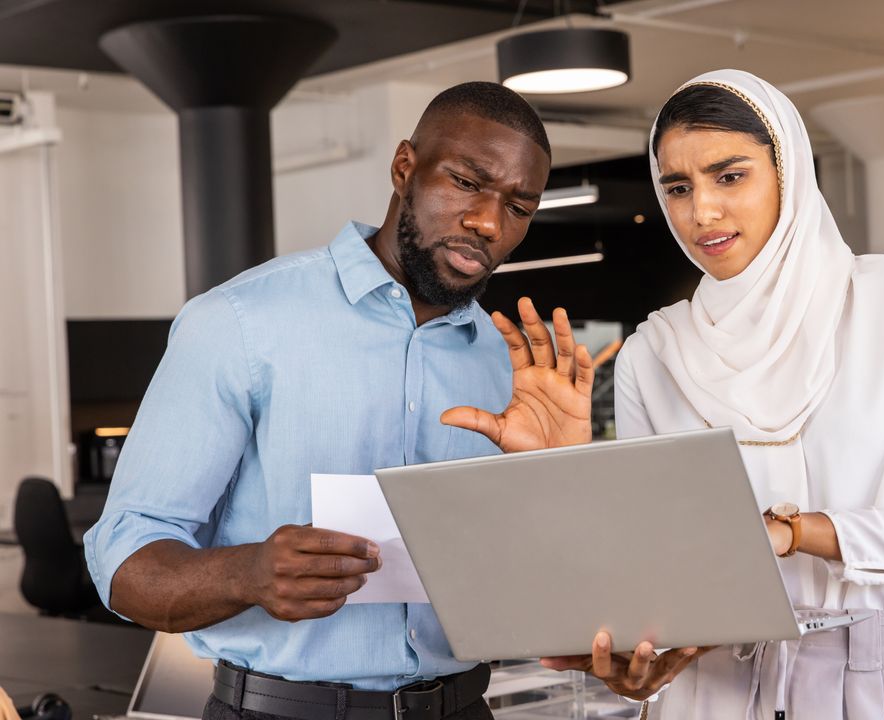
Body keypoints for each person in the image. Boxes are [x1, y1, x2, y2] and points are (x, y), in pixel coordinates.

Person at [83, 81, 594, 720]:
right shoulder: (239, 321)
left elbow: (539, 592)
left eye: (519, 207)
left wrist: (562, 481)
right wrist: (248, 574)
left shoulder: (506, 362)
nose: (489, 223)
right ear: (405, 167)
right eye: (466, 183)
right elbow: (124, 561)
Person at [515, 69, 884, 718]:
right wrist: (643, 667)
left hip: (875, 681)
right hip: (707, 693)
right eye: (677, 187)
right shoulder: (653, 353)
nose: (702, 212)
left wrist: (798, 533)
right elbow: (654, 576)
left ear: (790, 169)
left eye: (730, 175)